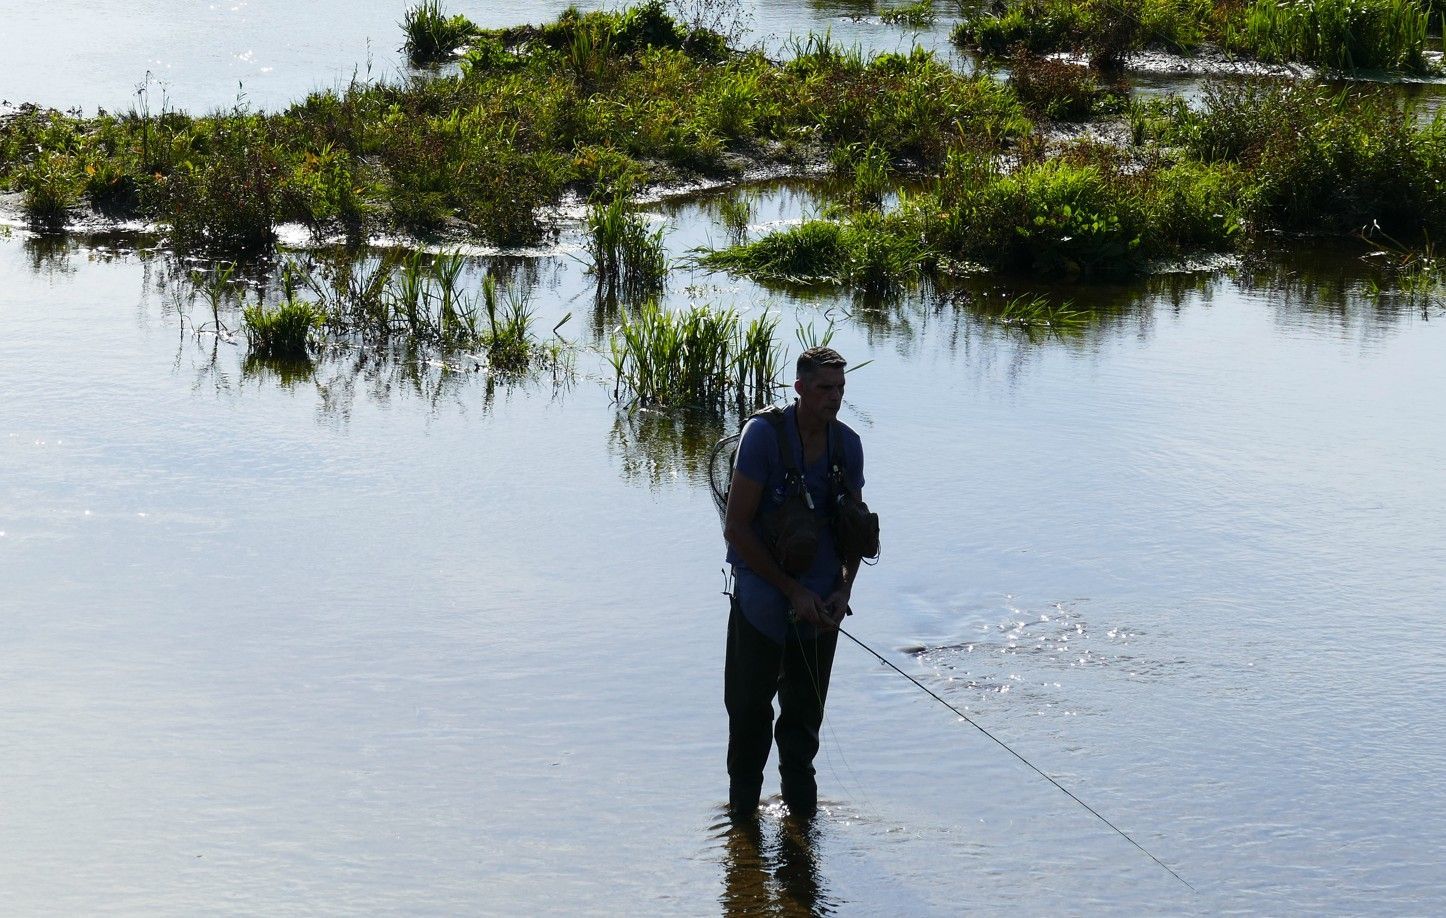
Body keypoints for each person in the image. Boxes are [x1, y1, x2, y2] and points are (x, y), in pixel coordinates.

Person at [722, 346, 866, 819]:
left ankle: (802, 829)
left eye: (841, 388)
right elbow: (737, 528)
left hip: (821, 611)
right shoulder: (761, 437)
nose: (835, 398)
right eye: (825, 388)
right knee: (749, 716)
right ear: (799, 388)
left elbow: (855, 532)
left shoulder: (848, 446)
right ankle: (742, 835)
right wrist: (791, 591)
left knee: (803, 727)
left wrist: (842, 591)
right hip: (763, 601)